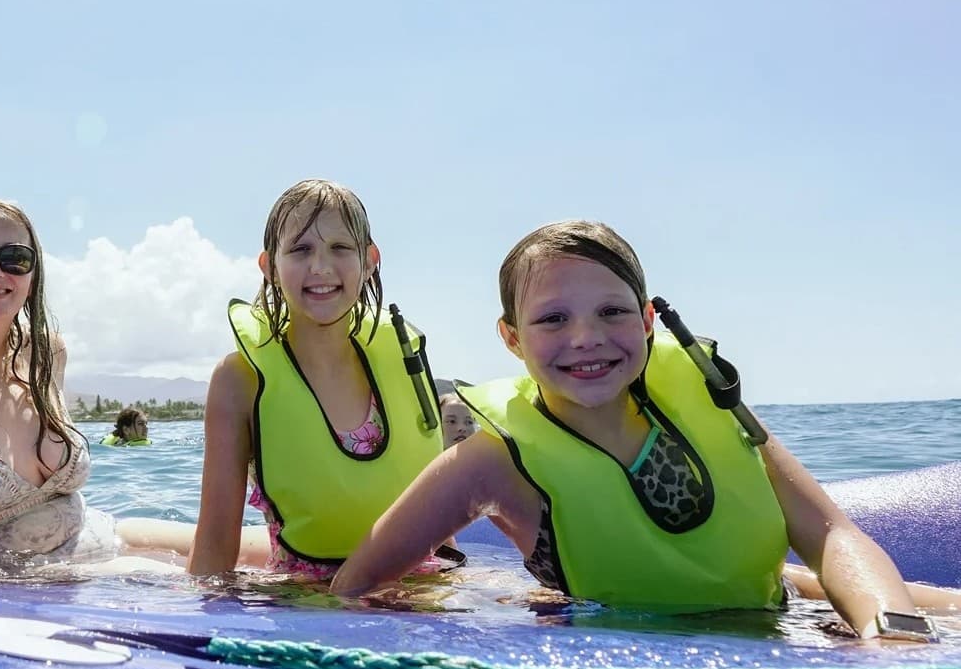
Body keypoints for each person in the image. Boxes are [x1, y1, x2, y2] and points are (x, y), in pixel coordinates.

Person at [333, 220, 959, 638]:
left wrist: (890, 639)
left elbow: (832, 536)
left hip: (780, 616)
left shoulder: (707, 403)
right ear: (513, 339)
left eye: (612, 311)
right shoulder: (492, 461)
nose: (587, 338)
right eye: (554, 319)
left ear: (649, 321)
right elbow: (358, 582)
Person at [184, 179, 451, 579]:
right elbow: (215, 549)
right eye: (301, 249)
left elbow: (440, 521)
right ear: (270, 267)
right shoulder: (239, 381)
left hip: (420, 590)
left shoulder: (402, 358)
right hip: (307, 603)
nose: (321, 267)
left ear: (370, 259)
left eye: (340, 248)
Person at [0, 198, 170, 567]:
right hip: (14, 583)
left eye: (15, 258)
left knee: (260, 551)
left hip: (96, 537)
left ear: (33, 274)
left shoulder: (47, 353)